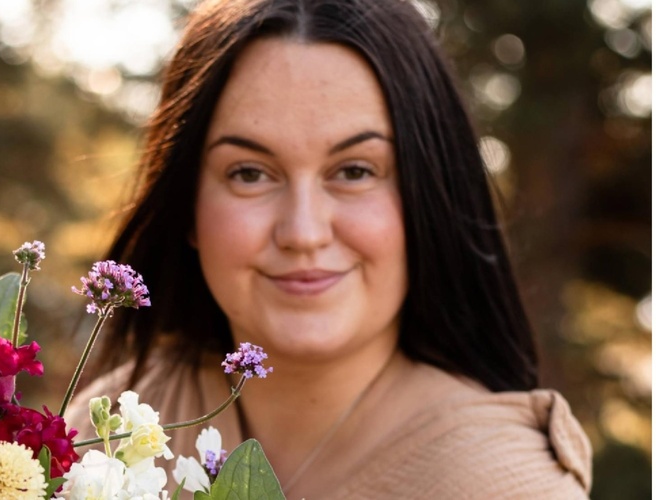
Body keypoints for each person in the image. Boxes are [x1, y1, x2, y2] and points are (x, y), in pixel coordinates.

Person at [66, 0, 592, 498]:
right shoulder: (99, 440)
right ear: (188, 206)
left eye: (355, 171)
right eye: (249, 174)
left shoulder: (506, 485)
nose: (303, 231)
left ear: (426, 199)